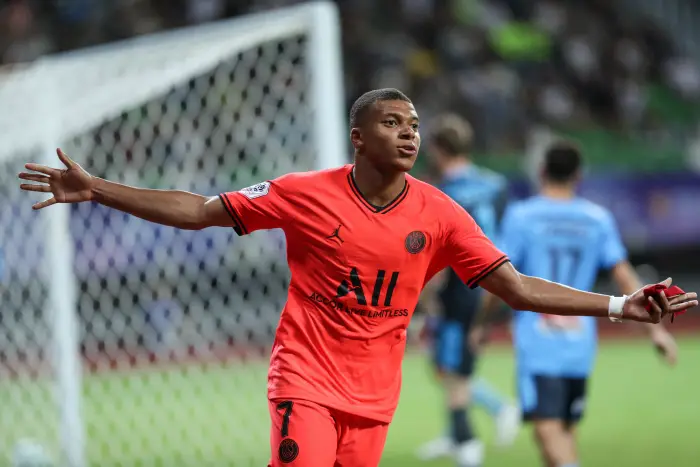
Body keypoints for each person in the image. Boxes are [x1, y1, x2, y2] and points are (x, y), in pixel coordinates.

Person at [18, 89, 695, 467]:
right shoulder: (301, 192)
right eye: (391, 122)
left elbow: (514, 285)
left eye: (415, 125)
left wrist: (618, 304)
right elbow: (200, 210)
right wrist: (99, 189)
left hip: (374, 397)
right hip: (305, 380)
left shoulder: (441, 213)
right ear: (358, 137)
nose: (409, 133)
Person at [470, 141, 680, 467]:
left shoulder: (522, 216)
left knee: (547, 431)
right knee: (564, 431)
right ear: (578, 175)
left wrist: (482, 324)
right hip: (580, 342)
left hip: (539, 341)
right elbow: (625, 277)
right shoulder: (597, 219)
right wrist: (656, 333)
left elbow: (501, 278)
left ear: (541, 172)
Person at [416, 114, 519, 467]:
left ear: (439, 149)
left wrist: (426, 297)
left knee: (451, 369)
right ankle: (458, 431)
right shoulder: (496, 183)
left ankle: (471, 438)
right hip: (493, 278)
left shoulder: (439, 192)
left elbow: (441, 251)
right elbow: (504, 233)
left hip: (459, 285)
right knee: (448, 363)